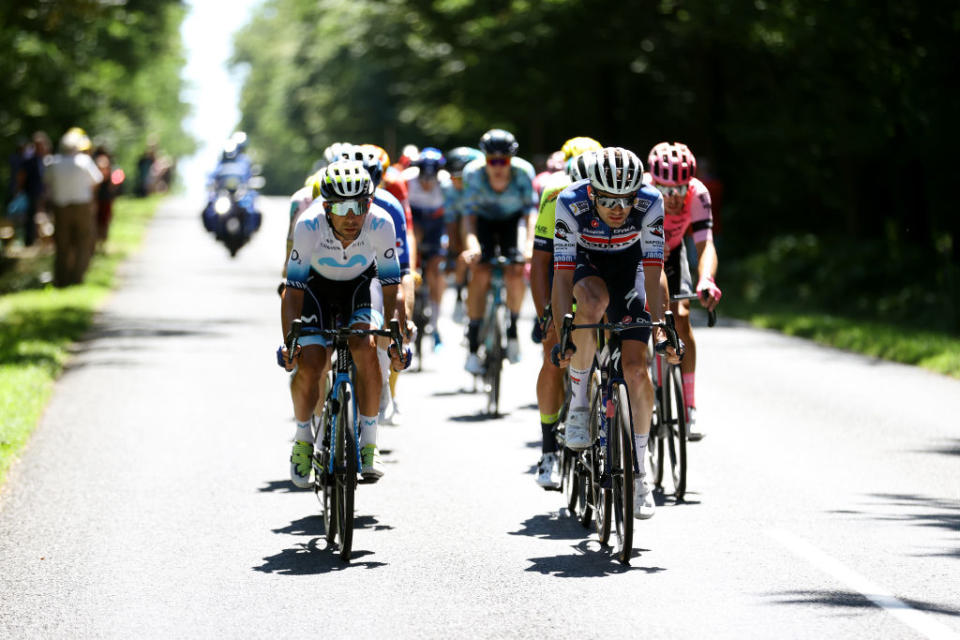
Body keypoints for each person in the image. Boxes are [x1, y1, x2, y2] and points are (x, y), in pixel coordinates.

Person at [551, 147, 681, 519]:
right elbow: (561, 277)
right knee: (590, 306)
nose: (618, 208)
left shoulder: (651, 201)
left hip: (631, 265)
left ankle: (640, 474)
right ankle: (578, 406)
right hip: (585, 263)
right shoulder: (570, 203)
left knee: (638, 370)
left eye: (626, 199)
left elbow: (655, 273)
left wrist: (663, 327)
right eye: (607, 199)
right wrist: (564, 332)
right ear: (592, 192)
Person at [279, 160, 409, 487]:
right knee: (311, 363)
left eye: (360, 205)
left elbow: (393, 288)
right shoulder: (308, 225)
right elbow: (291, 293)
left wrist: (396, 336)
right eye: (342, 207)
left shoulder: (380, 223)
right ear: (326, 207)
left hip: (360, 286)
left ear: (370, 202)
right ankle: (303, 438)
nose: (352, 217)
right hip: (315, 289)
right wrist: (289, 342)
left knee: (364, 347)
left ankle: (369, 443)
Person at [529, 136, 602, 489]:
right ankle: (548, 451)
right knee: (553, 353)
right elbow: (541, 263)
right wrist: (546, 315)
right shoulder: (555, 197)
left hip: (601, 272)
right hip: (564, 275)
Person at [646, 142, 721, 441]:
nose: (674, 198)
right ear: (655, 183)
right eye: (667, 190)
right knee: (640, 320)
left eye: (681, 189)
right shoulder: (642, 192)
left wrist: (706, 280)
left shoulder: (698, 193)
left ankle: (688, 407)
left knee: (681, 314)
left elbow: (705, 245)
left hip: (673, 252)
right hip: (641, 255)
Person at [460, 129, 538, 374]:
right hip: (482, 222)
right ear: (484, 159)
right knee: (481, 272)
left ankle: (513, 330)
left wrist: (528, 246)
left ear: (510, 160)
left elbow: (530, 215)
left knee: (515, 271)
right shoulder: (472, 173)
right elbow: (469, 218)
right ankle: (473, 345)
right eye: (492, 160)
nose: (497, 166)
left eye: (502, 160)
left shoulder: (523, 172)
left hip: (512, 222)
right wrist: (471, 246)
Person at [404, 147, 450, 349]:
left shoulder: (446, 183)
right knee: (409, 266)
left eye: (432, 180)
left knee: (436, 269)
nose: (427, 184)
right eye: (424, 178)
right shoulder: (407, 179)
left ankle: (435, 321)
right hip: (414, 222)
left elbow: (452, 216)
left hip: (437, 225)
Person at [43, 128, 102, 287]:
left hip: (60, 206)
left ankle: (62, 278)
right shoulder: (84, 161)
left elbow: (47, 183)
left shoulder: (53, 162)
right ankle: (78, 277)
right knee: (82, 241)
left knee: (62, 243)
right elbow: (97, 180)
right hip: (82, 205)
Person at [443, 147, 484, 323]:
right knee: (461, 236)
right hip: (464, 220)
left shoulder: (481, 180)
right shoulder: (450, 189)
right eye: (452, 177)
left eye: (459, 178)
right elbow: (451, 222)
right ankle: (460, 291)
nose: (455, 182)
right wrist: (453, 251)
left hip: (485, 217)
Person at [17, 131, 51, 247]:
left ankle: (44, 241)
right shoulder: (28, 159)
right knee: (31, 217)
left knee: (45, 216)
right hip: (31, 191)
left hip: (45, 192)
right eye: (38, 145)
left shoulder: (47, 159)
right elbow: (21, 175)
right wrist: (19, 189)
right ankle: (30, 241)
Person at [92, 147, 117, 251]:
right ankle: (99, 244)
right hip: (100, 198)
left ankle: (101, 243)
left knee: (103, 221)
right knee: (99, 221)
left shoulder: (99, 162)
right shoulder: (102, 161)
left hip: (104, 198)